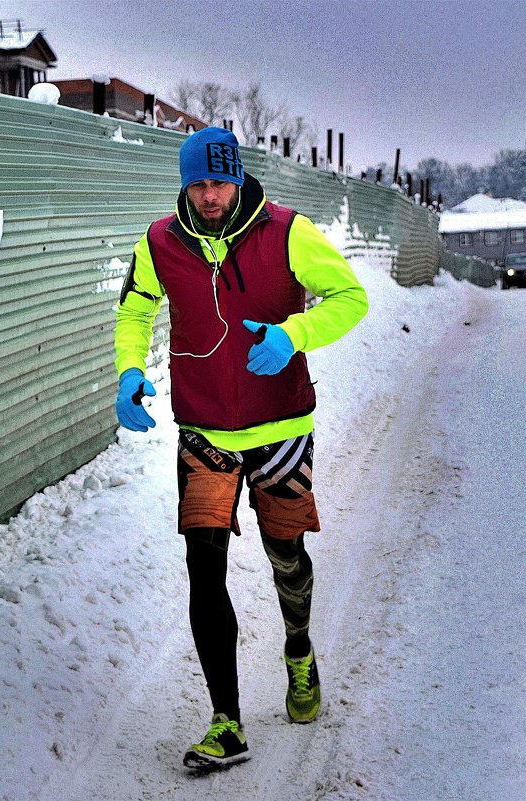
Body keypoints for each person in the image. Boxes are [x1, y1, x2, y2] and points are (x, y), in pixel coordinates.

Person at [113, 126, 368, 769]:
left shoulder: (288, 232)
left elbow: (352, 297)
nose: (208, 195)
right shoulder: (159, 242)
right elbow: (136, 308)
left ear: (238, 178)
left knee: (286, 553)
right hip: (203, 432)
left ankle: (300, 651)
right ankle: (226, 719)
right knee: (205, 569)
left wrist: (295, 333)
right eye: (196, 183)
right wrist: (127, 368)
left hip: (280, 428)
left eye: (218, 182)